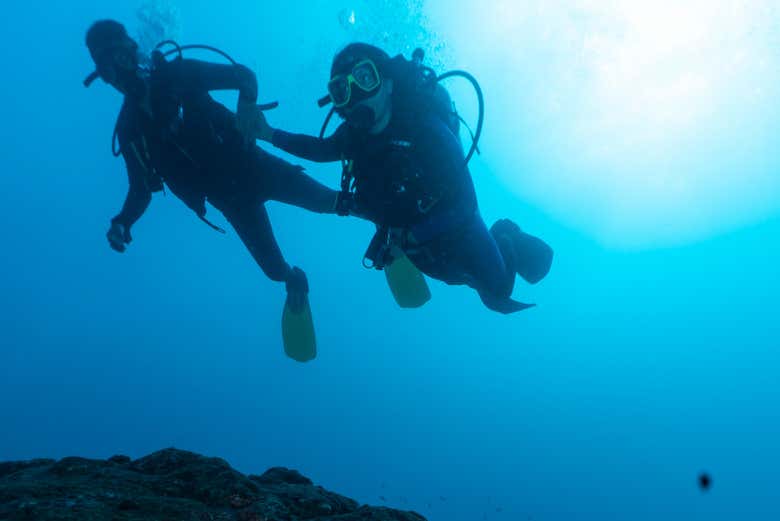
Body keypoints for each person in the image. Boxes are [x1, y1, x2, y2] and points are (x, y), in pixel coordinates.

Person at [85, 19, 338, 359]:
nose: (118, 75)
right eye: (107, 71)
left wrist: (246, 105)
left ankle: (389, 219)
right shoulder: (131, 129)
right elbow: (140, 190)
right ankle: (296, 281)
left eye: (118, 60)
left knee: (327, 202)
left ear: (133, 51)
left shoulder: (176, 74)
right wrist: (123, 222)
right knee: (274, 271)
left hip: (256, 167)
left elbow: (244, 76)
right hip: (231, 202)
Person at [254, 43, 553, 313]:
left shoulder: (426, 129)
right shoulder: (351, 137)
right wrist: (267, 133)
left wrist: (411, 235)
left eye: (365, 78)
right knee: (455, 278)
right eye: (342, 90)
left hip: (456, 226)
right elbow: (319, 150)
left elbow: (465, 204)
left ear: (387, 83)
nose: (355, 96)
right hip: (411, 237)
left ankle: (505, 234)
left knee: (497, 294)